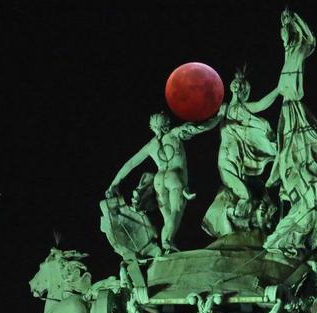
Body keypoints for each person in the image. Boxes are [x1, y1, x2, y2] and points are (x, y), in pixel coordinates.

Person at [264, 9, 317, 255]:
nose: (285, 36)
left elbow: (311, 40)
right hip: (287, 110)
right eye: (282, 33)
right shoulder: (288, 53)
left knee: (308, 146)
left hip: (295, 108)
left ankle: (309, 180)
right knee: (290, 153)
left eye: (288, 32)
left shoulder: (300, 48)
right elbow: (277, 93)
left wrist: (294, 19)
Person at [108, 112, 219, 252]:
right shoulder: (175, 133)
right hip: (175, 177)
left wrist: (114, 183)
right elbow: (201, 127)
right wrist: (219, 117)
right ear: (167, 124)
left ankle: (167, 246)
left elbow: (130, 164)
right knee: (176, 211)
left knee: (168, 218)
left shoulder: (151, 145)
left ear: (152, 127)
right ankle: (167, 242)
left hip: (159, 180)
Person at [202, 69, 279, 238]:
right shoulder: (224, 108)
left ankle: (242, 221)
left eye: (241, 86)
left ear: (244, 91)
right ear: (232, 87)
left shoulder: (244, 107)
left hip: (240, 160)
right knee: (244, 194)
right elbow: (213, 122)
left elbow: (262, 104)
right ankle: (232, 219)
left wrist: (279, 89)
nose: (238, 87)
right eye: (236, 85)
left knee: (245, 190)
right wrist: (201, 127)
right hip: (227, 158)